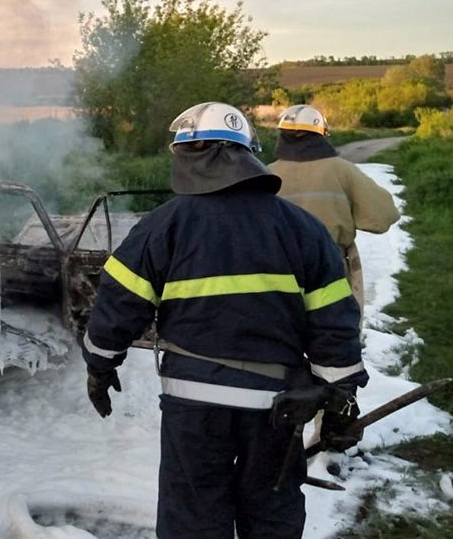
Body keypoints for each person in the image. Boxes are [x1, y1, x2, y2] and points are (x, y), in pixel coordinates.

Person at [81, 102, 368, 539]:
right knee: (271, 517)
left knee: (194, 519)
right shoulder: (301, 228)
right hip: (278, 408)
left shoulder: (162, 227)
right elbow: (335, 320)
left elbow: (117, 307)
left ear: (186, 157)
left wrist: (100, 366)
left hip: (193, 408)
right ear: (249, 156)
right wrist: (340, 397)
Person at [268, 104, 400, 327]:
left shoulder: (266, 172)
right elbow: (384, 215)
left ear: (282, 135)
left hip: (274, 270)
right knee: (333, 335)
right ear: (322, 135)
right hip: (329, 267)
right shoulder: (342, 169)